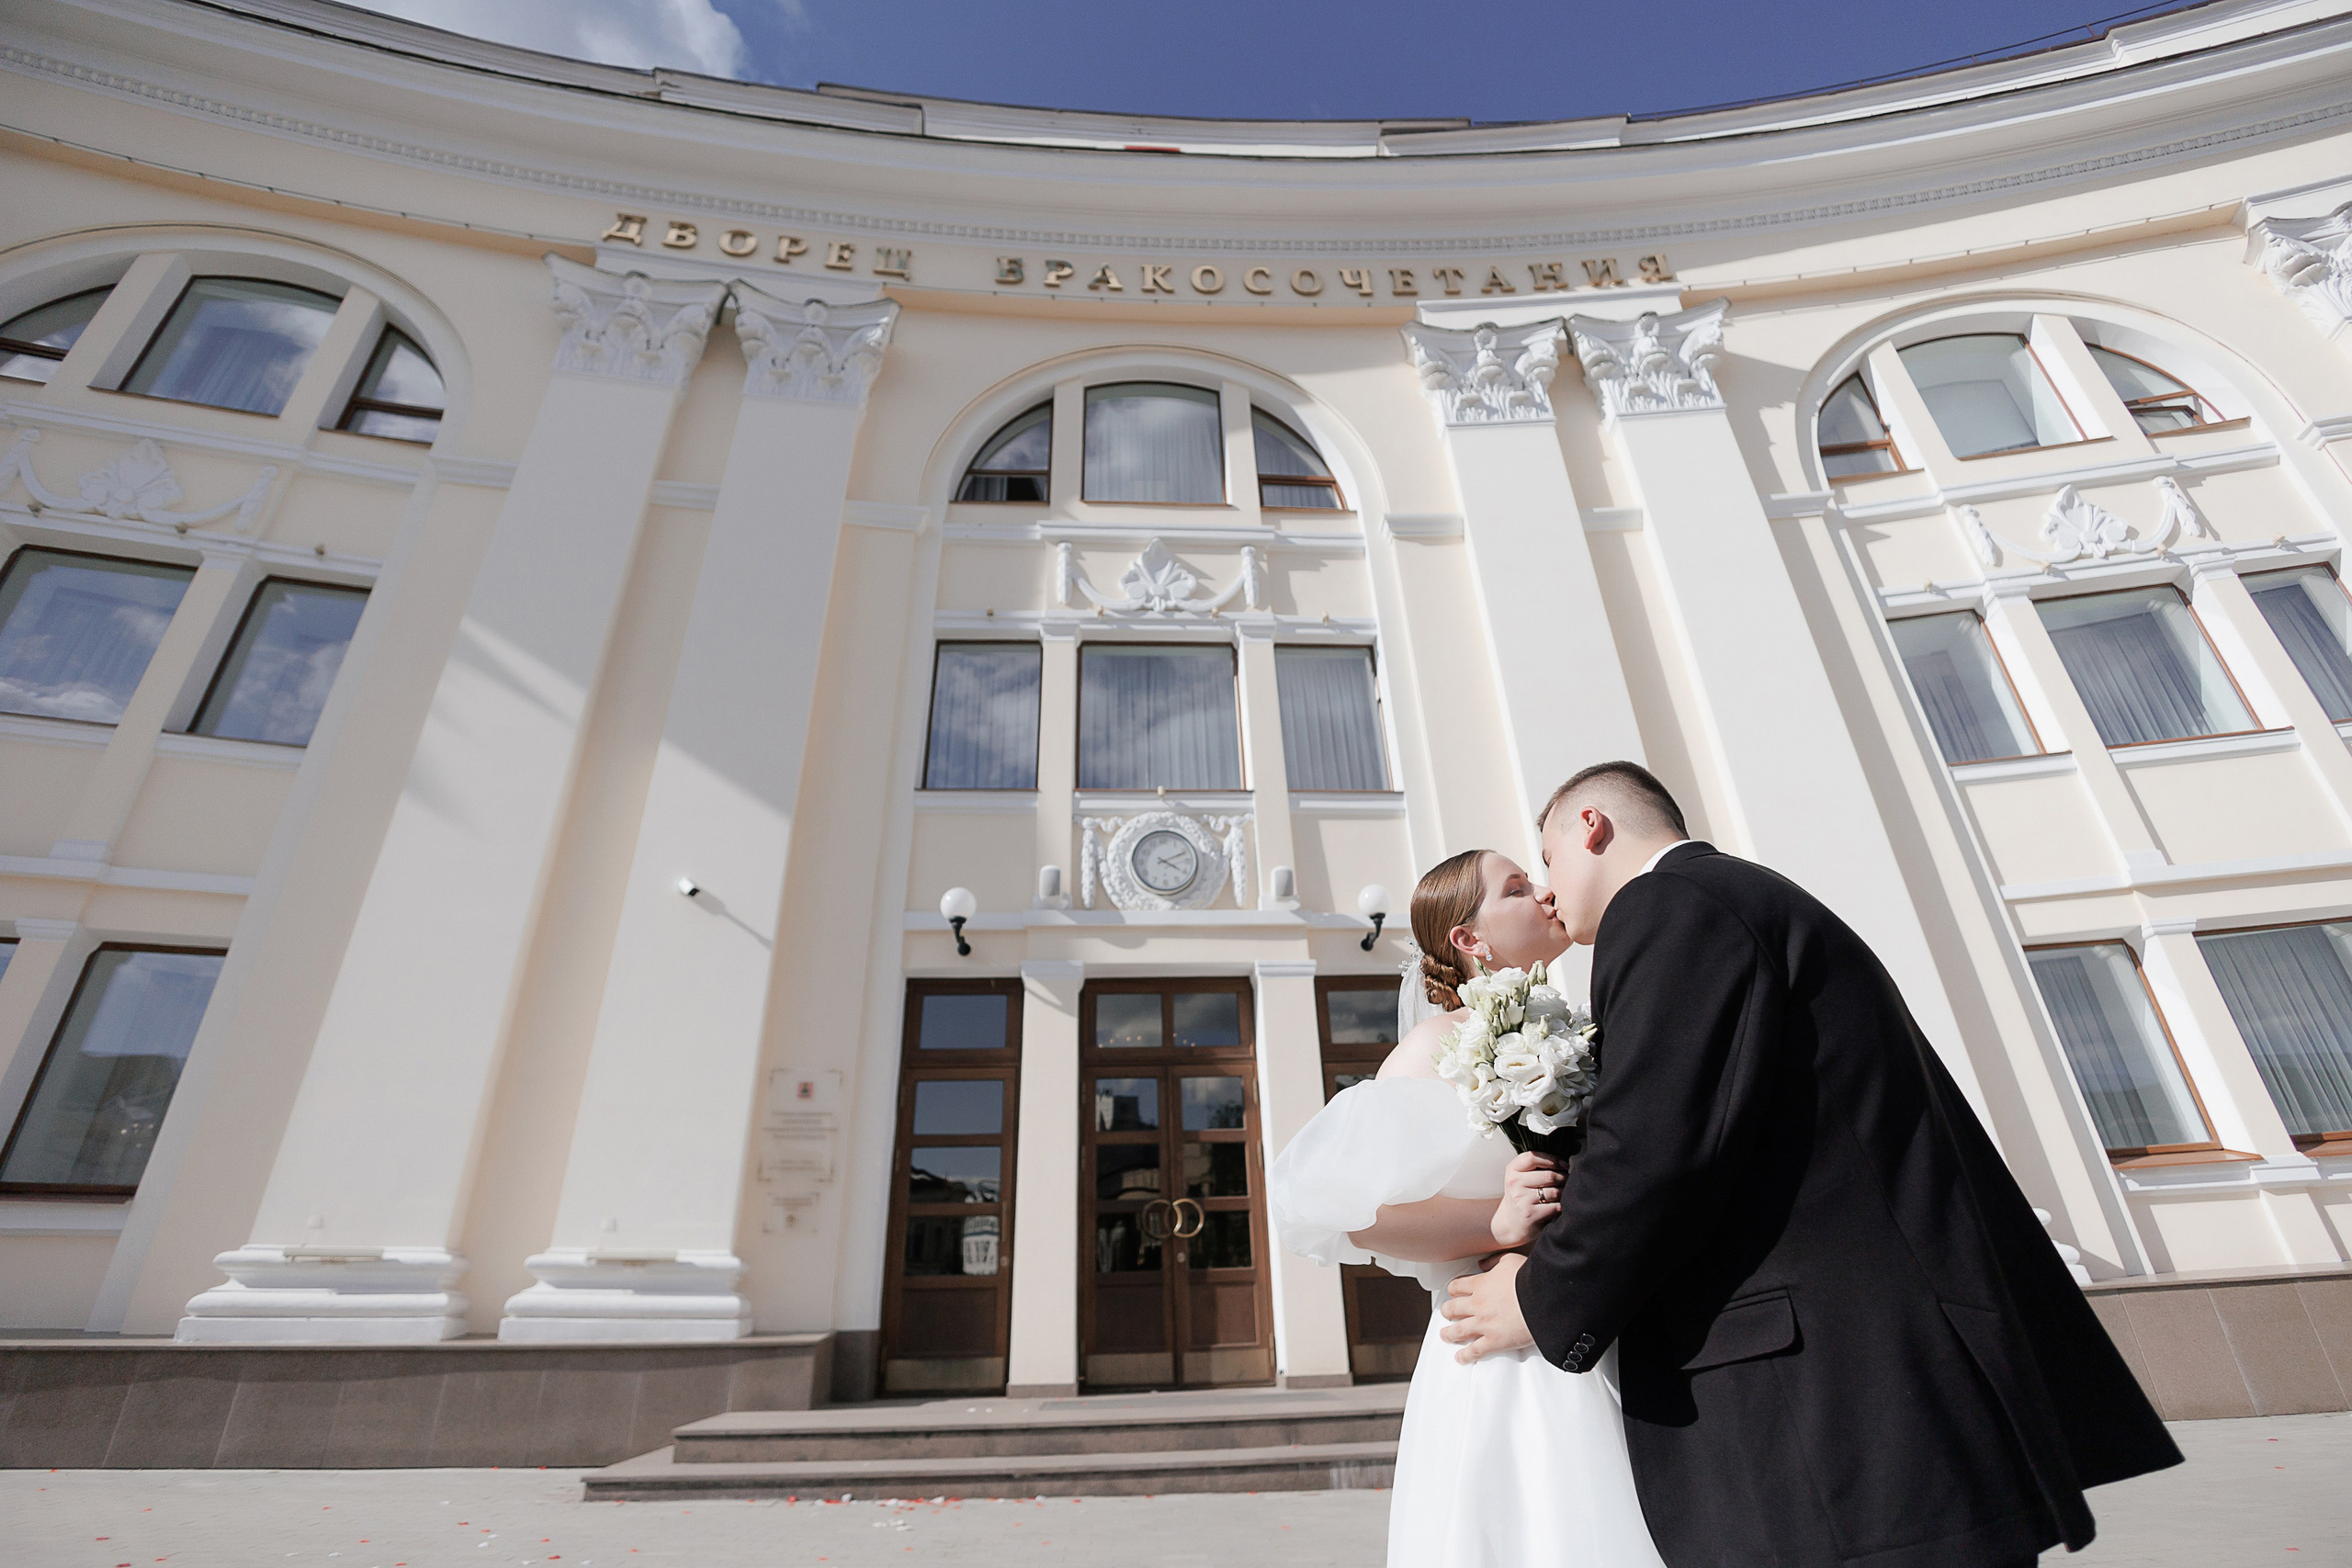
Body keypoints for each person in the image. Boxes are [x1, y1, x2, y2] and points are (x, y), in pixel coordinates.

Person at [1440, 761, 2182, 1568]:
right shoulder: (1738, 897)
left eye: (1547, 859)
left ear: (1592, 825)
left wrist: (1541, 1298)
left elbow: (1653, 1150)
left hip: (1839, 1419)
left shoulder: (1669, 903)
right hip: (1884, 1406)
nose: (1549, 889)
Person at [1270, 848, 1668, 1568]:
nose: (1544, 892)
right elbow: (1354, 1212)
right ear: (1469, 938)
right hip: (1505, 1356)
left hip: (1612, 1324)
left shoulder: (1585, 1029)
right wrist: (1495, 1221)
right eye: (1516, 887)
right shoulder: (1436, 1046)